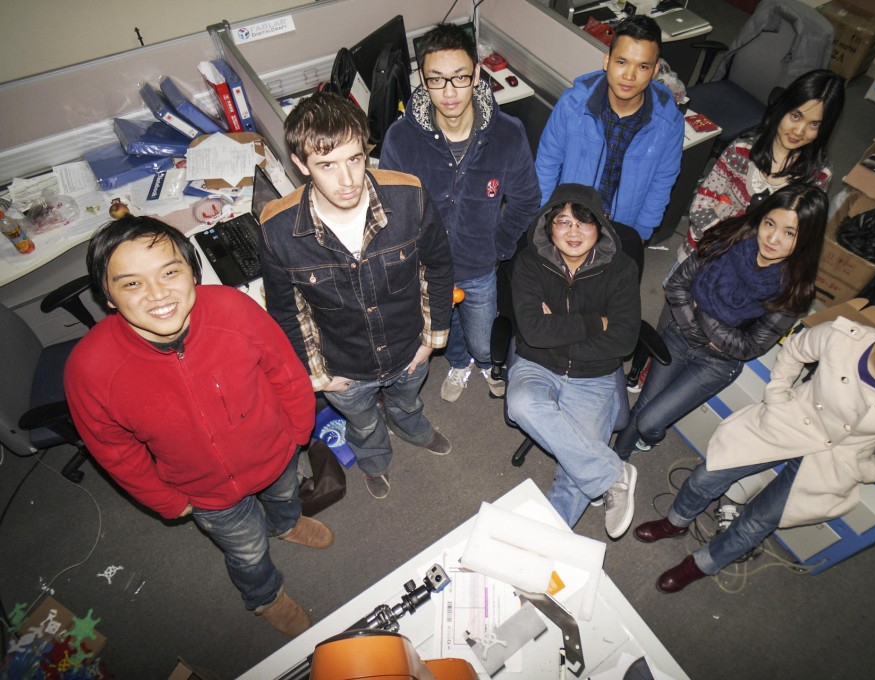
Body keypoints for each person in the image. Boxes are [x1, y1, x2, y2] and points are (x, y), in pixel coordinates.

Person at [65, 216, 322, 636]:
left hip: (276, 451)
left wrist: (298, 431)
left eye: (170, 272)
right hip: (206, 492)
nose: (157, 294)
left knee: (286, 495)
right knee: (247, 551)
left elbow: (284, 370)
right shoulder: (90, 370)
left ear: (193, 273)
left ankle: (286, 523)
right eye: (131, 283)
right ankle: (264, 596)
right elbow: (114, 452)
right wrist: (168, 501)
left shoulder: (233, 308)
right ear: (107, 296)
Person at [633, 291, 875, 594]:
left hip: (839, 457)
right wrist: (778, 394)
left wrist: (869, 468)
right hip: (795, 419)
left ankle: (702, 564)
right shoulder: (842, 337)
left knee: (756, 521)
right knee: (709, 473)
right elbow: (796, 349)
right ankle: (675, 522)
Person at [260, 93, 455, 501]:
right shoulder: (278, 230)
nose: (347, 180)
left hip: (409, 349)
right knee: (363, 424)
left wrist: (432, 340)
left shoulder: (409, 197)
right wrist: (318, 375)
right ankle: (374, 458)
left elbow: (436, 267)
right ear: (300, 164)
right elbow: (286, 310)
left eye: (354, 159)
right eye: (326, 165)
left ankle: (410, 426)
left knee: (407, 403)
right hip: (343, 367)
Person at [380, 23, 540, 403]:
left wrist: (498, 246)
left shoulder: (508, 134)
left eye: (459, 78)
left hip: (479, 265)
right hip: (428, 266)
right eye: (436, 80)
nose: (449, 92)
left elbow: (526, 200)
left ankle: (484, 362)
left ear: (477, 75)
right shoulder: (401, 138)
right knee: (444, 328)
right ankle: (459, 363)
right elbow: (390, 206)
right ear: (423, 80)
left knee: (482, 335)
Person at [614, 184, 828, 458]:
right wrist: (697, 329)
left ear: (807, 239)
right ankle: (614, 461)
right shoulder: (728, 239)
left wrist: (702, 314)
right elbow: (677, 285)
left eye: (789, 233)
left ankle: (651, 438)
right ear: (760, 218)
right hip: (680, 335)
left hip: (717, 363)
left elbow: (749, 347)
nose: (772, 239)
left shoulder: (793, 290)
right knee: (642, 407)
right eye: (769, 224)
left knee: (649, 422)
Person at [506, 183, 641, 537]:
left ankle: (539, 547)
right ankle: (613, 474)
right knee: (521, 403)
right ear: (548, 226)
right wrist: (597, 323)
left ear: (600, 227)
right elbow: (534, 332)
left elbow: (624, 340)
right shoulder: (529, 263)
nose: (574, 231)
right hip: (537, 364)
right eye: (563, 222)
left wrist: (558, 333)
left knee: (576, 476)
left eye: (584, 222)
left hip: (594, 376)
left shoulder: (622, 270)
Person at [534, 15, 684, 251]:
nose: (629, 76)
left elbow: (662, 181)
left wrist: (642, 231)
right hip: (569, 220)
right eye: (621, 62)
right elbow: (547, 162)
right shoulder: (573, 104)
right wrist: (545, 216)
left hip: (621, 225)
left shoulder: (669, 123)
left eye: (643, 66)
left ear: (655, 70)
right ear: (607, 61)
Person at [682, 69, 845, 259]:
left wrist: (726, 213)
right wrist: (752, 232)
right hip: (704, 250)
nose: (799, 131)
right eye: (796, 116)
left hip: (750, 267)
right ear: (783, 108)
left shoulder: (818, 175)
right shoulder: (742, 150)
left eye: (814, 124)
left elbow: (794, 236)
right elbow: (700, 207)